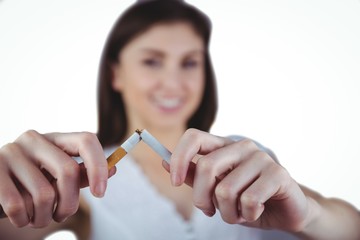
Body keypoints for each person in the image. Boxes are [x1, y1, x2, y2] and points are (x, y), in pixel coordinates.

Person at [0, 0, 360, 239]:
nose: (172, 82)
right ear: (116, 75)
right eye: (151, 61)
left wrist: (310, 216)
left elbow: (349, 228)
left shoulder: (245, 157)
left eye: (189, 62)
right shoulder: (75, 179)